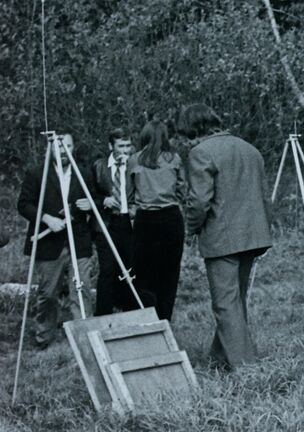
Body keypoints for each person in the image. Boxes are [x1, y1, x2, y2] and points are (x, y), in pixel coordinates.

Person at [180, 103, 272, 370]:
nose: (188, 141)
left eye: (187, 135)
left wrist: (190, 230)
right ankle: (218, 358)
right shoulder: (249, 149)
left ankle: (246, 369)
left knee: (225, 304)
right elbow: (264, 195)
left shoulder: (201, 152)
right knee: (235, 300)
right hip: (253, 236)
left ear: (195, 130)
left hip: (222, 240)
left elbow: (198, 202)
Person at [17, 133, 95, 348]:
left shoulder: (84, 173)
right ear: (51, 148)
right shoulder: (37, 173)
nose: (63, 151)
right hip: (49, 244)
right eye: (59, 147)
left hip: (78, 241)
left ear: (73, 148)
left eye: (67, 146)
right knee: (48, 293)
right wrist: (46, 218)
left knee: (81, 289)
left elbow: (96, 198)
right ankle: (44, 336)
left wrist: (90, 204)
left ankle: (85, 340)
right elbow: (23, 204)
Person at [128, 120, 186, 321]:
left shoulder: (134, 160)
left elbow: (128, 193)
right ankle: (165, 320)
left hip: (146, 220)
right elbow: (182, 189)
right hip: (171, 218)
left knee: (144, 274)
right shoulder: (174, 159)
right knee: (169, 274)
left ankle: (148, 321)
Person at [91, 128, 137, 315]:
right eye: (121, 146)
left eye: (128, 146)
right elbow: (88, 193)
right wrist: (102, 201)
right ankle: (103, 314)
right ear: (111, 146)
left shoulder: (136, 165)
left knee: (130, 267)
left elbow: (144, 190)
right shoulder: (98, 166)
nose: (125, 150)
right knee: (108, 269)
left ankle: (129, 312)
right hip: (107, 223)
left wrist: (135, 209)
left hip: (129, 222)